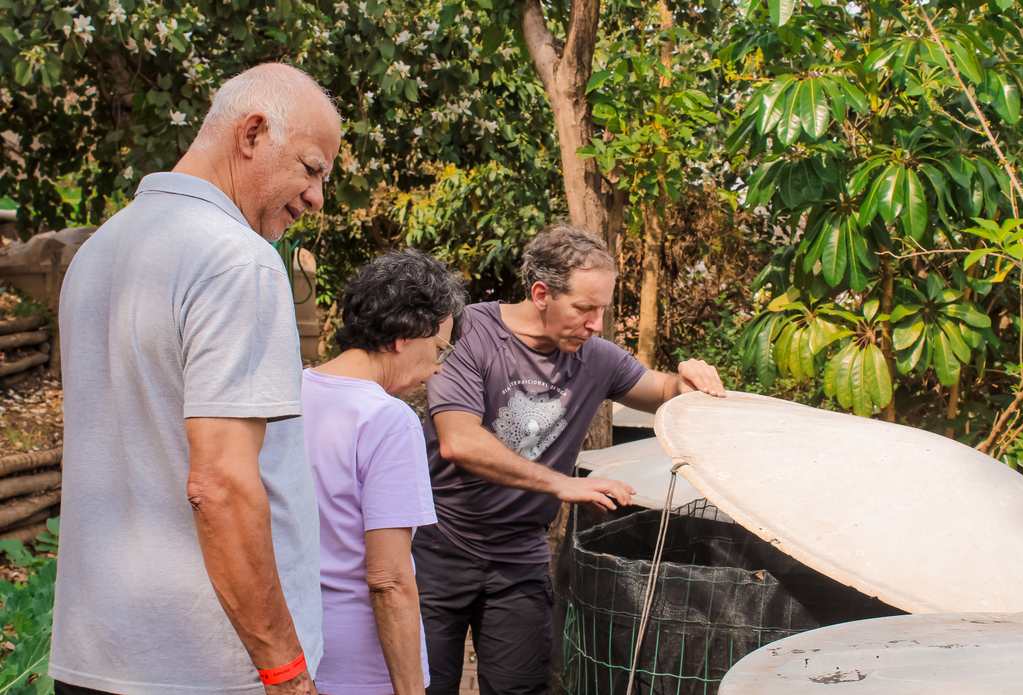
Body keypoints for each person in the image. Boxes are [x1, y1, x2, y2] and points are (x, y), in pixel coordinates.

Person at [50, 63, 341, 695]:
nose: (318, 197)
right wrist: (287, 673)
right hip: (208, 668)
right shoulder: (237, 261)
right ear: (253, 132)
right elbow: (221, 486)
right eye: (312, 169)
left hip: (94, 656)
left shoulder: (101, 251)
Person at [416, 223, 726, 695]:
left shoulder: (596, 357)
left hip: (518, 558)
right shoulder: (470, 331)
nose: (596, 323)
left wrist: (688, 378)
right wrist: (564, 484)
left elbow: (662, 389)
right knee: (421, 685)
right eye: (584, 308)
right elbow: (459, 440)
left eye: (601, 309)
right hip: (438, 548)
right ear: (541, 293)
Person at [303, 250, 467, 695]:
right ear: (404, 335)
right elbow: (389, 578)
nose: (436, 368)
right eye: (437, 349)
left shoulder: (292, 393)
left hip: (293, 651)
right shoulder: (386, 418)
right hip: (360, 667)